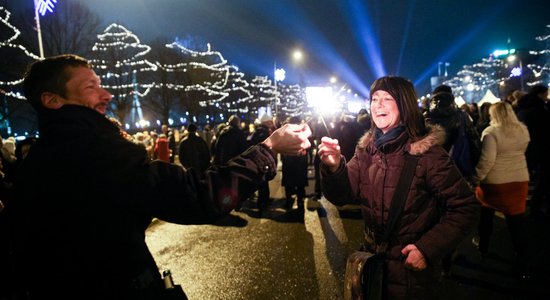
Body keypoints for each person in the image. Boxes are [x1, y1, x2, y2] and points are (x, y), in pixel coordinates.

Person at [12, 54, 312, 299]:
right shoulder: (94, 151)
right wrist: (268, 148)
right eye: (91, 87)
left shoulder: (39, 159)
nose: (106, 95)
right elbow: (197, 195)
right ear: (52, 100)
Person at [318, 76, 479, 299]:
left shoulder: (429, 155)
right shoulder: (366, 150)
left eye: (387, 98)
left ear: (404, 105)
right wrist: (334, 167)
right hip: (373, 267)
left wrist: (427, 249)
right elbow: (342, 195)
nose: (378, 105)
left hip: (410, 275)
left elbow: (465, 207)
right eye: (374, 99)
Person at [470, 101, 531, 279]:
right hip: (520, 179)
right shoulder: (522, 130)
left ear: (493, 115)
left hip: (496, 182)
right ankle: (523, 262)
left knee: (486, 213)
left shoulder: (491, 132)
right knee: (517, 223)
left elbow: (487, 160)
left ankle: (483, 245)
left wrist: (475, 178)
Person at [516, 85, 550, 219]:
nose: (547, 96)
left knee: (544, 179)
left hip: (532, 149)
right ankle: (536, 209)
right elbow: (544, 131)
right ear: (540, 94)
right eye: (546, 94)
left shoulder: (523, 110)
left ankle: (535, 208)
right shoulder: (539, 110)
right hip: (542, 148)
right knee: (545, 179)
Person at [247, 114, 276, 210]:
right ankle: (262, 202)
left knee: (263, 180)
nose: (271, 123)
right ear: (266, 122)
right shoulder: (263, 133)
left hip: (259, 159)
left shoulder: (257, 132)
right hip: (263, 160)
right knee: (263, 181)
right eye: (270, 122)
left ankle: (264, 200)